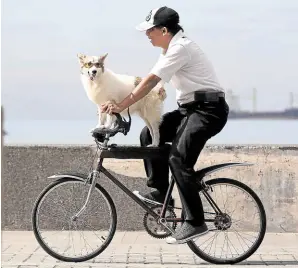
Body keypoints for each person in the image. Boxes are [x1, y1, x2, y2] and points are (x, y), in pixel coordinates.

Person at [101, 6, 229, 244]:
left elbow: (150, 81)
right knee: (149, 136)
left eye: (150, 30)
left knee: (178, 159)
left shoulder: (181, 48)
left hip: (208, 111)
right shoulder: (169, 49)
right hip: (188, 110)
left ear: (164, 30)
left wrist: (122, 104)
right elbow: (150, 81)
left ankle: (195, 222)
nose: (147, 35)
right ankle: (161, 193)